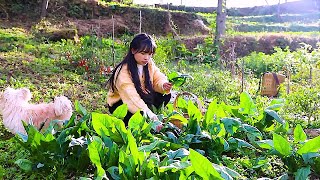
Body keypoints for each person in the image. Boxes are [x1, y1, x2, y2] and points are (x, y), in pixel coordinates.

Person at [107, 33, 172, 126]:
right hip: (123, 103)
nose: (146, 58)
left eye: (150, 54)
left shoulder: (148, 63)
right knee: (135, 117)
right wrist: (150, 115)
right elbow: (131, 97)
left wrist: (163, 85)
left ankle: (146, 115)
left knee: (165, 95)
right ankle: (142, 118)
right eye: (143, 53)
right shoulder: (123, 71)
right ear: (133, 50)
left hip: (140, 95)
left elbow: (157, 76)